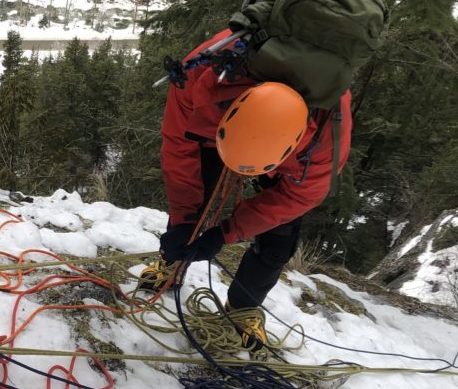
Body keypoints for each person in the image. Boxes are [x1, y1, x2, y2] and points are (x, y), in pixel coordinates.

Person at [138, 29, 352, 351]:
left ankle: (244, 307)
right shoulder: (199, 79)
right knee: (197, 197)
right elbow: (181, 154)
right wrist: (184, 221)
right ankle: (174, 262)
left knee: (279, 236)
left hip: (289, 152)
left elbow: (291, 200)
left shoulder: (324, 145)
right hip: (213, 124)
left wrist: (225, 233)